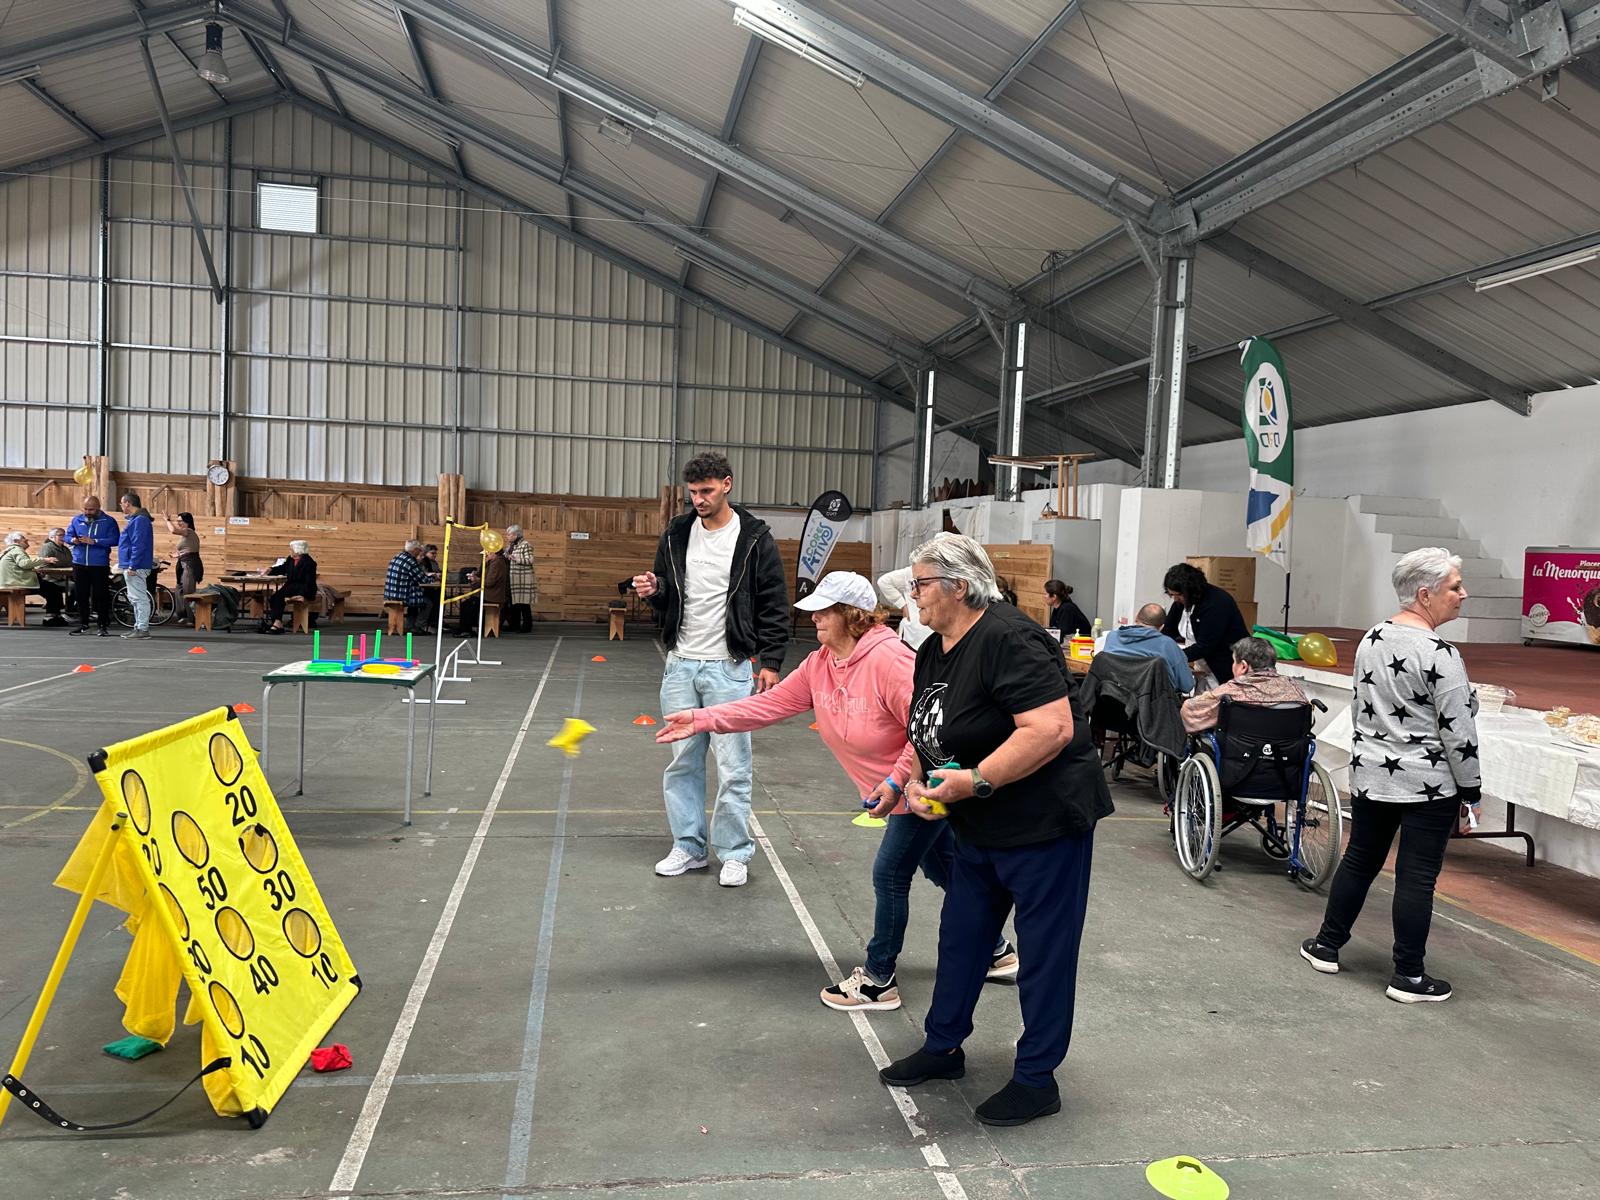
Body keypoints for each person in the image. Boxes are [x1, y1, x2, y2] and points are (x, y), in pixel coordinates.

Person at [656, 571, 1017, 1010]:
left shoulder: (891, 662)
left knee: (890, 875)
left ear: (852, 615)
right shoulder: (820, 664)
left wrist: (897, 781)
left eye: (824, 611)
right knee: (944, 869)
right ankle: (997, 951)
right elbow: (769, 705)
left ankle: (879, 980)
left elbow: (929, 730)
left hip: (920, 784)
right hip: (897, 790)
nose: (814, 619)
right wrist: (702, 719)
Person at [879, 534, 1113, 1128]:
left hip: (1043, 825)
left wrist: (976, 781)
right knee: (962, 938)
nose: (913, 595)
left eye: (921, 584)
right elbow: (930, 728)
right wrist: (915, 782)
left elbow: (1050, 729)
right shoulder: (934, 649)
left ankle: (1036, 1079)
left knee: (1044, 954)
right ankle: (943, 1047)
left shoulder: (1010, 639)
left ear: (959, 586)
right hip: (978, 826)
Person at [1302, 547, 1482, 1004]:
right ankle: (1409, 976)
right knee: (1416, 877)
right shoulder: (1441, 654)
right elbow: (1459, 730)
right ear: (1425, 594)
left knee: (1360, 860)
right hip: (1428, 784)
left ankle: (1326, 945)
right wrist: (1471, 790)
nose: (1463, 594)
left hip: (1372, 775)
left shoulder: (1372, 638)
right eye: (1455, 586)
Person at [634, 450, 788, 888]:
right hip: (680, 665)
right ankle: (689, 847)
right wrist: (654, 589)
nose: (698, 500)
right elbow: (667, 593)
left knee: (734, 766)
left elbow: (773, 601)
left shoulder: (754, 538)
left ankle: (735, 853)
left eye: (706, 491)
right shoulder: (677, 532)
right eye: (693, 493)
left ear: (727, 485)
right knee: (683, 763)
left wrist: (771, 660)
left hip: (729, 668)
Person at [1180, 636, 1308, 734]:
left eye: (1234, 661)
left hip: (1238, 754)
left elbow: (1189, 711)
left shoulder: (1229, 692)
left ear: (1243, 666)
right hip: (1287, 754)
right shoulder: (1293, 688)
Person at [1162, 562, 1249, 690]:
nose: (1175, 599)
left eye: (1178, 595)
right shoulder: (1181, 602)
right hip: (1202, 664)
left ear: (1191, 591)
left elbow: (1205, 646)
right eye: (1172, 595)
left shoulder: (1216, 603)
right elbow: (1168, 631)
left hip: (1224, 666)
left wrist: (1174, 657)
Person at [877, 532, 958, 650]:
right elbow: (884, 581)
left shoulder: (952, 575)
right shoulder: (914, 571)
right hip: (916, 629)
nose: (913, 594)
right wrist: (903, 605)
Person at [1102, 603, 1194, 694]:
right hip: (1153, 702)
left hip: (1113, 698)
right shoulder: (1168, 645)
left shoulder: (1112, 637)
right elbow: (1187, 685)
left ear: (1136, 617)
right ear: (1162, 627)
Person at [65, 495, 118, 637]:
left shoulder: (108, 521)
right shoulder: (76, 520)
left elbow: (115, 539)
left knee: (101, 595)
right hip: (79, 563)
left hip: (99, 564)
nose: (87, 512)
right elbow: (67, 536)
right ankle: (84, 624)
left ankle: (102, 625)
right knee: (81, 595)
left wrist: (95, 541)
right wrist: (73, 540)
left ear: (98, 508)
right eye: (85, 509)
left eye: (91, 510)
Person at [0, 532, 68, 625]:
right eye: (24, 538)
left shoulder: (8, 551)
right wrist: (44, 559)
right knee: (53, 589)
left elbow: (20, 566)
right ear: (16, 541)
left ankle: (54, 614)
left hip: (9, 581)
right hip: (17, 582)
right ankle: (51, 617)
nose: (27, 540)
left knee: (50, 588)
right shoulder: (17, 550)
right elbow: (24, 563)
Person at [115, 493, 156, 640]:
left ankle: (142, 628)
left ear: (127, 503)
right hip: (133, 564)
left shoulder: (140, 520)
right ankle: (139, 627)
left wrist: (133, 565)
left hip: (136, 566)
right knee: (135, 598)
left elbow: (139, 544)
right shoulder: (137, 520)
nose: (121, 506)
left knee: (139, 598)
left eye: (122, 503)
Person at [262, 540, 318, 634]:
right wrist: (271, 569)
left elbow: (310, 582)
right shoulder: (290, 559)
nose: (290, 551)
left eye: (291, 549)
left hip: (303, 587)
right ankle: (277, 622)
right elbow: (283, 568)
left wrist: (303, 595)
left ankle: (277, 623)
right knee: (274, 598)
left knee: (278, 597)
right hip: (291, 586)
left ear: (298, 550)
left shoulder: (309, 562)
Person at [458, 548, 510, 637]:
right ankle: (468, 629)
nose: (486, 555)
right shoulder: (492, 562)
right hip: (489, 594)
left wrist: (476, 579)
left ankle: (467, 629)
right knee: (467, 604)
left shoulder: (497, 563)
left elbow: (489, 582)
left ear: (494, 553)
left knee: (469, 605)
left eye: (488, 553)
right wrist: (483, 564)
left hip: (492, 595)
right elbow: (482, 575)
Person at [164, 512, 203, 623]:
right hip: (184, 564)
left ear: (187, 522)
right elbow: (189, 550)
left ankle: (194, 619)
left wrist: (167, 520)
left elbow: (173, 530)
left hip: (190, 565)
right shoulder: (186, 535)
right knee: (180, 590)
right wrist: (177, 555)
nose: (178, 523)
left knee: (188, 591)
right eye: (177, 521)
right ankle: (184, 615)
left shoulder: (188, 531)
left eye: (180, 521)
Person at [385, 539, 431, 634]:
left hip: (390, 593)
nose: (420, 552)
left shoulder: (397, 556)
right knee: (428, 603)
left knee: (416, 600)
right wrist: (433, 578)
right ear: (415, 550)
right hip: (401, 595)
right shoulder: (410, 561)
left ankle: (410, 626)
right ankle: (419, 626)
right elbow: (423, 580)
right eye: (419, 550)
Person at [505, 525, 536, 633]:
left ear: (515, 535)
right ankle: (515, 625)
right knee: (515, 603)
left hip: (523, 579)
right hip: (513, 579)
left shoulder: (525, 545)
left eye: (509, 534)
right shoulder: (511, 545)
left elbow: (530, 560)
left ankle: (527, 626)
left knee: (524, 604)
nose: (507, 536)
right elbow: (508, 557)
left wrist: (516, 558)